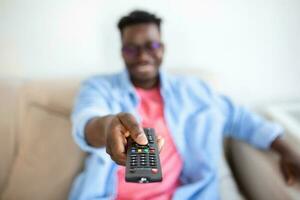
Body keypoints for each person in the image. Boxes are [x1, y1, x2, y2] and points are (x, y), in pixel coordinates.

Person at [69, 10, 300, 200]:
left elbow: (243, 120)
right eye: (131, 49)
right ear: (122, 53)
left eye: (151, 46)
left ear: (163, 48)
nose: (142, 56)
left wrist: (287, 151)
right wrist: (108, 125)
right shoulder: (98, 87)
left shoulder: (196, 91)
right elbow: (87, 120)